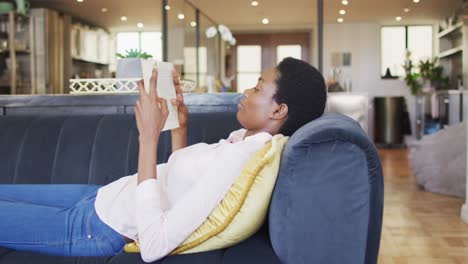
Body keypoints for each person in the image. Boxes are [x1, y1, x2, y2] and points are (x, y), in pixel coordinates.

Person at [0, 57, 327, 262]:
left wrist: (147, 136)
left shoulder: (242, 158)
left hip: (96, 227)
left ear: (278, 110)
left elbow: (155, 243)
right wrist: (178, 128)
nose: (245, 93)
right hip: (98, 197)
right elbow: (181, 183)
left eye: (257, 89)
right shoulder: (244, 140)